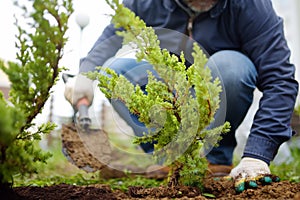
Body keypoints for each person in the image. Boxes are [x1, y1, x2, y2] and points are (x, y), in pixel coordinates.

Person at [64, 0, 299, 192]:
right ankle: (170, 156)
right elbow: (111, 36)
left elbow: (279, 79)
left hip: (221, 87)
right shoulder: (145, 3)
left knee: (230, 66)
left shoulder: (251, 6)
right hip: (172, 87)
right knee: (113, 74)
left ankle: (216, 158)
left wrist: (257, 155)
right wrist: (85, 75)